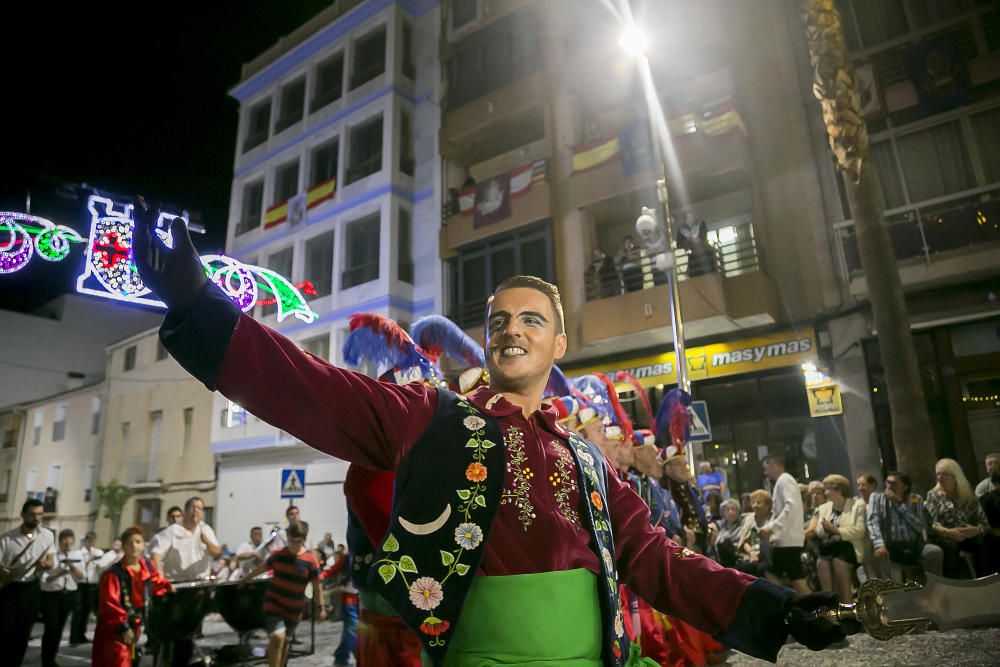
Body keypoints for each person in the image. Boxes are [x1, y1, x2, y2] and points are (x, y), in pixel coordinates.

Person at [132, 203, 850, 664]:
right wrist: (200, 307)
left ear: (559, 342)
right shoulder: (430, 417)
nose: (511, 329)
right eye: (498, 321)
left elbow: (661, 563)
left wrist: (775, 606)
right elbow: (309, 388)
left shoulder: (591, 467)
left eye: (531, 318)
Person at [147, 495, 221, 665]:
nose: (196, 511)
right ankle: (164, 659)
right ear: (185, 510)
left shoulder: (206, 529)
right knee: (171, 631)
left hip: (198, 587)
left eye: (200, 508)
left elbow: (216, 551)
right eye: (192, 507)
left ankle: (181, 661)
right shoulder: (172, 531)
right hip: (176, 587)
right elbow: (156, 554)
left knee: (189, 631)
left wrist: (206, 541)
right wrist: (159, 577)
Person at [244, 521, 325, 667]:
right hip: (273, 603)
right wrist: (247, 578)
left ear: (304, 539)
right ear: (287, 537)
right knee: (277, 637)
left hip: (293, 610)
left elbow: (317, 586)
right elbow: (263, 567)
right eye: (291, 540)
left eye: (298, 541)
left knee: (285, 641)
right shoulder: (278, 555)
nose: (294, 544)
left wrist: (320, 608)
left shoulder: (310, 561)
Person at [93, 526, 172, 667]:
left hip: (135, 624)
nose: (134, 546)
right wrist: (123, 627)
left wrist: (168, 586)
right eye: (130, 542)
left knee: (133, 657)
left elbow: (155, 582)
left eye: (138, 541)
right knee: (119, 660)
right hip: (115, 629)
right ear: (123, 546)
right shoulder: (114, 574)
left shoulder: (146, 566)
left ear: (143, 545)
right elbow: (109, 604)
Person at [0, 498, 56, 665]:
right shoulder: (7, 539)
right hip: (10, 588)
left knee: (23, 634)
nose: (37, 518)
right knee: (5, 633)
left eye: (39, 514)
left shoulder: (47, 535)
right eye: (32, 514)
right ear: (23, 515)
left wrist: (45, 564)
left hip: (31, 588)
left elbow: (51, 560)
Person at [924, 458, 989, 578]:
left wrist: (977, 529)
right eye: (938, 474)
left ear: (955, 476)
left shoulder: (967, 493)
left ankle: (985, 580)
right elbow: (932, 523)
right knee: (951, 545)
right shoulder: (933, 495)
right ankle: (955, 586)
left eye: (945, 474)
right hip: (945, 535)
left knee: (981, 540)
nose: (940, 477)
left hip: (967, 534)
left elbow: (983, 520)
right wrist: (947, 532)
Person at [806, 475, 866, 604]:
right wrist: (826, 529)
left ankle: (847, 602)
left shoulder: (857, 505)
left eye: (827, 489)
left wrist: (836, 530)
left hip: (848, 547)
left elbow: (860, 530)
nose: (825, 492)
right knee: (822, 562)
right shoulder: (823, 508)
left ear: (839, 490)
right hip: (829, 547)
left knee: (839, 562)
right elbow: (818, 532)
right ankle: (829, 604)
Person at [759, 455, 811, 594]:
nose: (765, 472)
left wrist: (771, 528)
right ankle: (788, 604)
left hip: (788, 539)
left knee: (796, 579)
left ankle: (814, 608)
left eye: (766, 468)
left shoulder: (785, 480)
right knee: (774, 574)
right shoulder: (784, 481)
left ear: (773, 464)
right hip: (785, 539)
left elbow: (790, 507)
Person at [866, 472, 929, 584]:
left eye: (893, 484)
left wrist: (899, 503)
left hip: (912, 544)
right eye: (887, 482)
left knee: (934, 553)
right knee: (881, 557)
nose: (888, 487)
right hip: (889, 544)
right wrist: (879, 544)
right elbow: (872, 522)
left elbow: (919, 526)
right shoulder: (876, 498)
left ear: (905, 487)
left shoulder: (915, 499)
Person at [40, 528, 85, 667]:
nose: (67, 542)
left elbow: (81, 576)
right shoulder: (52, 556)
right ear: (59, 542)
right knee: (51, 628)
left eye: (69, 540)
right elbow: (44, 578)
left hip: (68, 595)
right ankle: (46, 660)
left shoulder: (77, 556)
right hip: (52, 595)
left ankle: (52, 658)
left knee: (59, 629)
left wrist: (71, 566)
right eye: (64, 540)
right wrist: (60, 572)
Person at [71, 530, 104, 645]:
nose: (91, 542)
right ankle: (74, 637)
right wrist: (89, 560)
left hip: (93, 584)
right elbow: (78, 568)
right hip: (81, 584)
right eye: (88, 539)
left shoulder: (98, 552)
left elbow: (102, 565)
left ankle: (82, 634)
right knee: (78, 610)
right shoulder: (79, 553)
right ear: (85, 540)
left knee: (87, 610)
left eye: (92, 540)